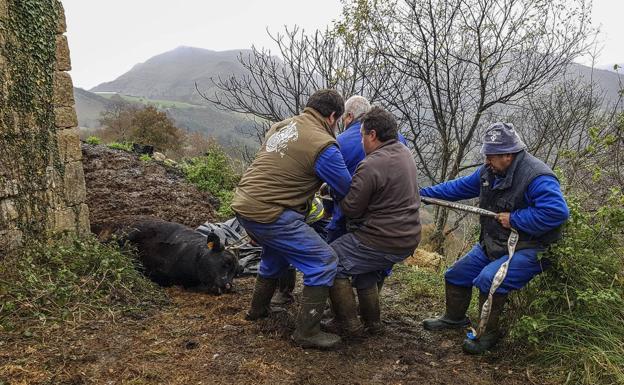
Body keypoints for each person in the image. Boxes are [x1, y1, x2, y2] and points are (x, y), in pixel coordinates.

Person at [421, 122, 569, 354]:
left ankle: (487, 333)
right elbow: (458, 188)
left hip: (531, 248)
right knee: (456, 275)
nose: (486, 161)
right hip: (495, 242)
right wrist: (422, 194)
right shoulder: (490, 172)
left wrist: (515, 219)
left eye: (491, 156)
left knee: (489, 280)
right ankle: (454, 318)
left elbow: (557, 212)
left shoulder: (536, 177)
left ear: (508, 155)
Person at [232, 89, 352, 350]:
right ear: (333, 117)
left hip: (244, 202)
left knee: (275, 251)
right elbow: (345, 188)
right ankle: (307, 332)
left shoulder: (281, 126)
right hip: (272, 211)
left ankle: (257, 309)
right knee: (324, 261)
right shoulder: (323, 144)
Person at [329, 106, 422, 335]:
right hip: (408, 236)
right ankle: (373, 323)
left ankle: (348, 324)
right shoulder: (404, 152)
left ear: (372, 135)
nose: (361, 141)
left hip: (382, 238)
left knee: (330, 259)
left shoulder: (371, 164)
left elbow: (351, 208)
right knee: (365, 267)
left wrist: (335, 191)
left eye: (362, 135)